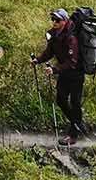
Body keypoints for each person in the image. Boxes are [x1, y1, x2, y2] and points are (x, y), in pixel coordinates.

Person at [31, 8, 87, 145]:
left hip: (76, 74)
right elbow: (49, 52)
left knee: (75, 103)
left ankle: (73, 135)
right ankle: (78, 123)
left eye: (57, 20)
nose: (54, 22)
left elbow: (72, 61)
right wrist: (38, 60)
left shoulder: (71, 38)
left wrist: (55, 70)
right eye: (53, 19)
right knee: (61, 100)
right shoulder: (55, 35)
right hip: (64, 73)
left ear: (65, 21)